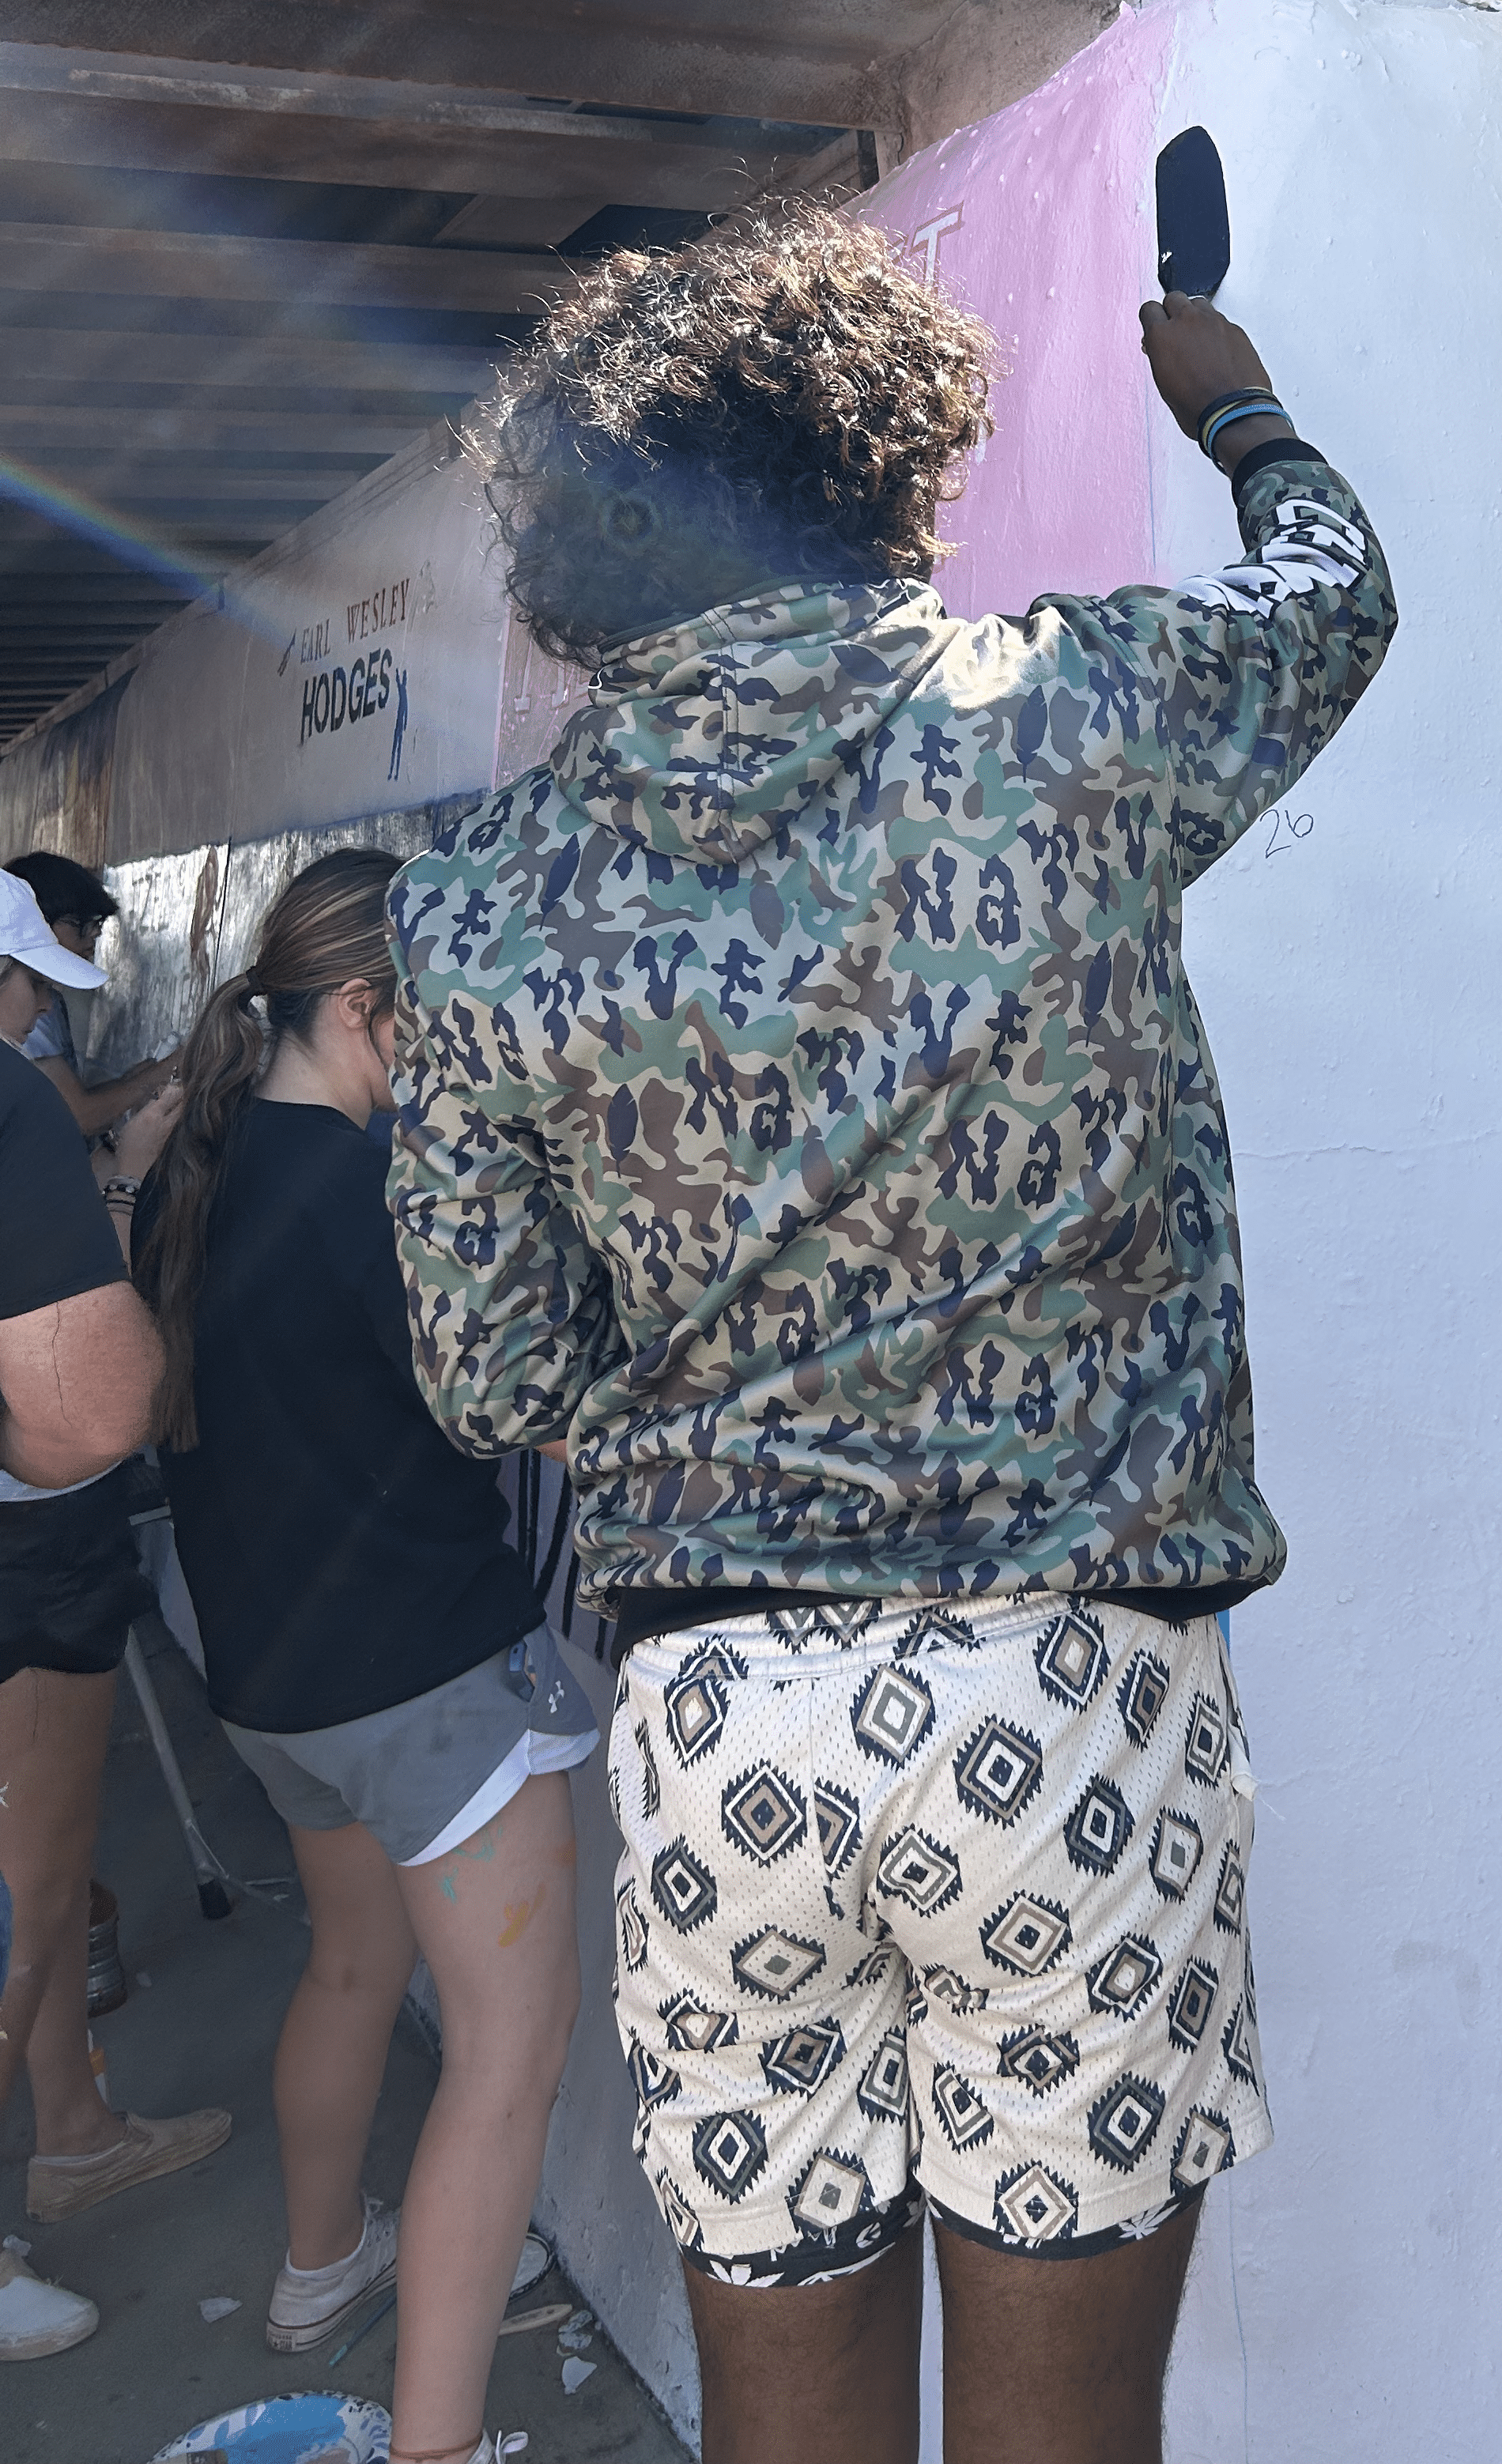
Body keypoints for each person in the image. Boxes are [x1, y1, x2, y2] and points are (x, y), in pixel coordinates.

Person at [384, 203, 1394, 2464]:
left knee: (785, 2389)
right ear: (878, 464)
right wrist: (1231, 402)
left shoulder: (482, 902)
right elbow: (1341, 595)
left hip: (726, 1715)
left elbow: (492, 1380)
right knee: (1062, 2422)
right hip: (1071, 1687)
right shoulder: (1075, 724)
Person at [134, 849, 595, 2464]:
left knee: (349, 1963)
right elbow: (523, 1403)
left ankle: (318, 2273)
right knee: (507, 2059)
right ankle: (436, 2445)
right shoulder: (383, 1199)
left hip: (270, 1689)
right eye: (443, 1017)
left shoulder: (196, 1170)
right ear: (363, 1008)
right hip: (427, 1692)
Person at [0, 867, 228, 2362]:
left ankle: (72, 2122)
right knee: (27, 1887)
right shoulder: (10, 1104)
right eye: (20, 977)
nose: (30, 1004)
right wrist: (132, 1194)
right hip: (27, 1556)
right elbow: (86, 1410)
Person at [4, 852, 178, 1143]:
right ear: (40, 919)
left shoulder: (44, 999)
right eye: (80, 920)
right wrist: (173, 1067)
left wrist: (133, 1083)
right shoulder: (21, 1003)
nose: (95, 933)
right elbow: (76, 1117)